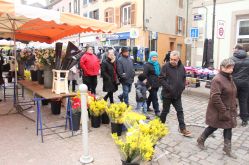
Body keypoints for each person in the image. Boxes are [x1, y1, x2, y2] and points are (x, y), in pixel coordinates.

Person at [197, 59, 237, 158]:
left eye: (232, 67)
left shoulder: (229, 77)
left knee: (228, 127)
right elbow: (215, 97)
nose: (231, 69)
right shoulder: (217, 79)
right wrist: (223, 110)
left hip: (229, 108)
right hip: (218, 110)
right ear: (222, 67)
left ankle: (227, 148)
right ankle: (201, 139)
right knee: (213, 126)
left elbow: (231, 91)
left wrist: (234, 103)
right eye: (229, 67)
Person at [159, 51, 191, 137]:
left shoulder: (181, 67)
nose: (172, 61)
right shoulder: (165, 66)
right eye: (171, 59)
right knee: (165, 111)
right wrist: (169, 88)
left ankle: (182, 129)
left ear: (178, 59)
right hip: (167, 94)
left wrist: (183, 86)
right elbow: (161, 79)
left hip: (177, 95)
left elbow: (184, 77)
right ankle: (159, 126)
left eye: (174, 59)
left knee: (180, 111)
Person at [231, 44, 249, 126]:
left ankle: (232, 117)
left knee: (232, 100)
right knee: (243, 101)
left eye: (234, 48)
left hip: (234, 82)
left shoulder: (232, 59)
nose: (233, 49)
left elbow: (228, 70)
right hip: (245, 83)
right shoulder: (248, 59)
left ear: (237, 49)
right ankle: (244, 120)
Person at [143, 51, 160, 116]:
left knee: (151, 96)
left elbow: (159, 73)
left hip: (157, 83)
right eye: (153, 57)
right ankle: (157, 111)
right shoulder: (147, 65)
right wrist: (148, 85)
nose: (155, 58)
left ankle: (146, 106)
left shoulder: (157, 64)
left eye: (156, 57)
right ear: (150, 57)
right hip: (150, 84)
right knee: (155, 97)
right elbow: (144, 75)